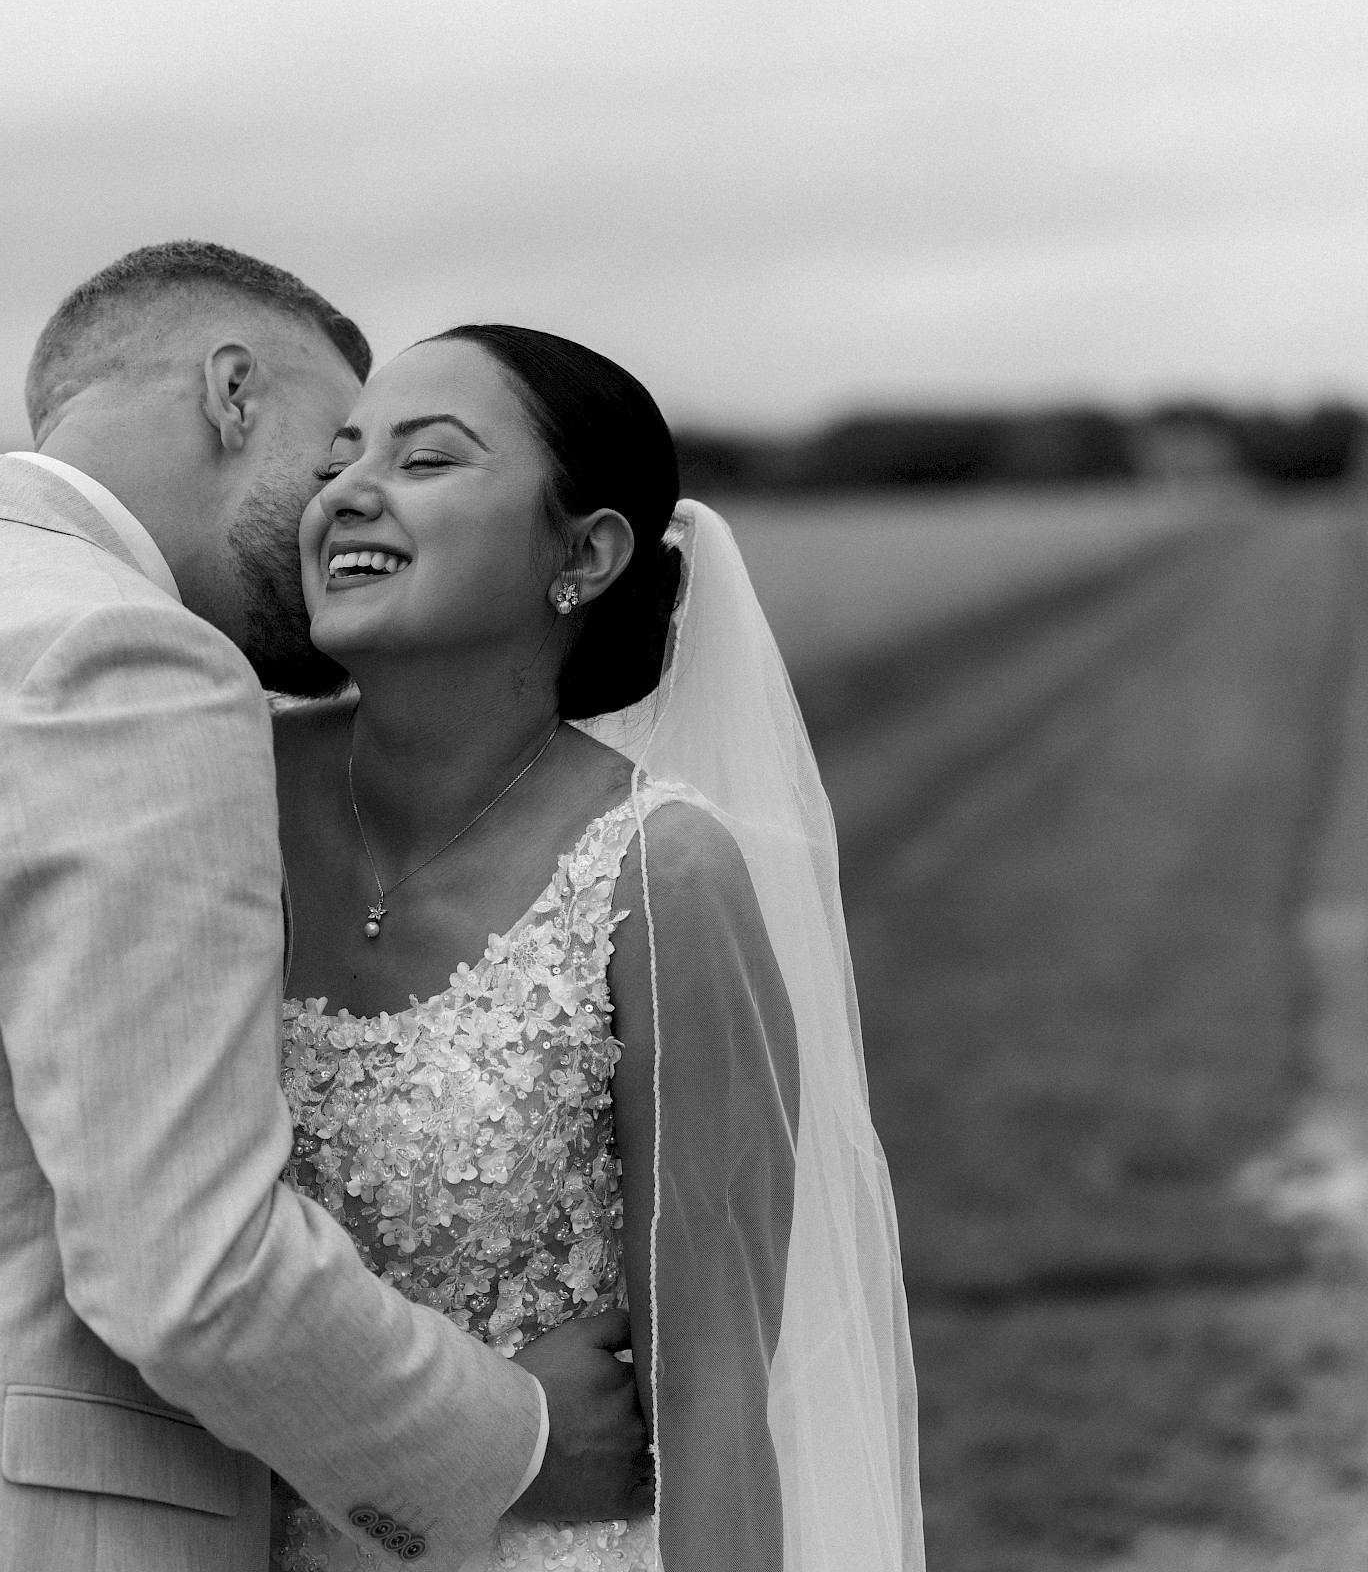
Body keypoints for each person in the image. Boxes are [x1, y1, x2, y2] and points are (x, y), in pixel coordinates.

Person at [0, 246, 651, 1570]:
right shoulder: (124, 658)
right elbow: (191, 1271)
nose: (338, 507)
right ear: (233, 392)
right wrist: (522, 1442)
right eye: (332, 449)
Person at [271, 327, 924, 1570]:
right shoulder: (212, 788)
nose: (349, 491)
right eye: (339, 458)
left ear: (584, 554)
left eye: (426, 459)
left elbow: (715, 1391)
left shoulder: (657, 873)